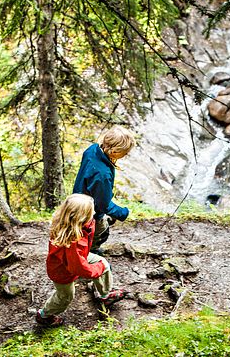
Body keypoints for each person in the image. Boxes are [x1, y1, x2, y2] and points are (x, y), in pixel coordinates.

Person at [35, 194, 127, 326]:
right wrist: (97, 269)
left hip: (78, 257)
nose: (94, 213)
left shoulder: (78, 225)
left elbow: (79, 258)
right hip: (62, 272)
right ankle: (44, 315)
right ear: (80, 217)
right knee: (65, 297)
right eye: (91, 212)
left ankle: (104, 295)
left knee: (103, 264)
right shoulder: (73, 241)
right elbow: (78, 267)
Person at [72, 126, 136, 254]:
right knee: (100, 232)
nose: (127, 154)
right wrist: (123, 213)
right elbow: (103, 204)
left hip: (78, 199)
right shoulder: (102, 175)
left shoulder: (92, 150)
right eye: (125, 152)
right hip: (90, 212)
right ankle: (91, 254)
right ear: (114, 152)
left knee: (82, 231)